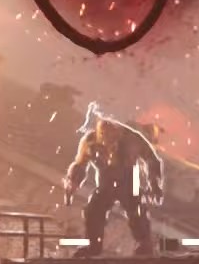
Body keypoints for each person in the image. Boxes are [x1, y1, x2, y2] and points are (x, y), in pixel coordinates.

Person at [62, 104, 164, 254]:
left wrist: (154, 184)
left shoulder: (132, 139)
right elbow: (80, 164)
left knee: (136, 210)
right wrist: (73, 182)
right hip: (106, 181)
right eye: (105, 136)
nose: (109, 143)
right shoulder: (90, 141)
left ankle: (144, 244)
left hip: (130, 179)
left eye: (112, 137)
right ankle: (93, 245)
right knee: (93, 210)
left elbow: (152, 160)